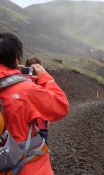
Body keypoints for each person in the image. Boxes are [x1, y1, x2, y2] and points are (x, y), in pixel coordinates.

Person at [0, 32, 69, 175]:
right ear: (16, 57)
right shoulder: (25, 90)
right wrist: (45, 77)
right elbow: (61, 106)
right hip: (27, 167)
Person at [23, 56, 49, 145]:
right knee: (43, 146)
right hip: (40, 123)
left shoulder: (19, 81)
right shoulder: (42, 83)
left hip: (23, 124)